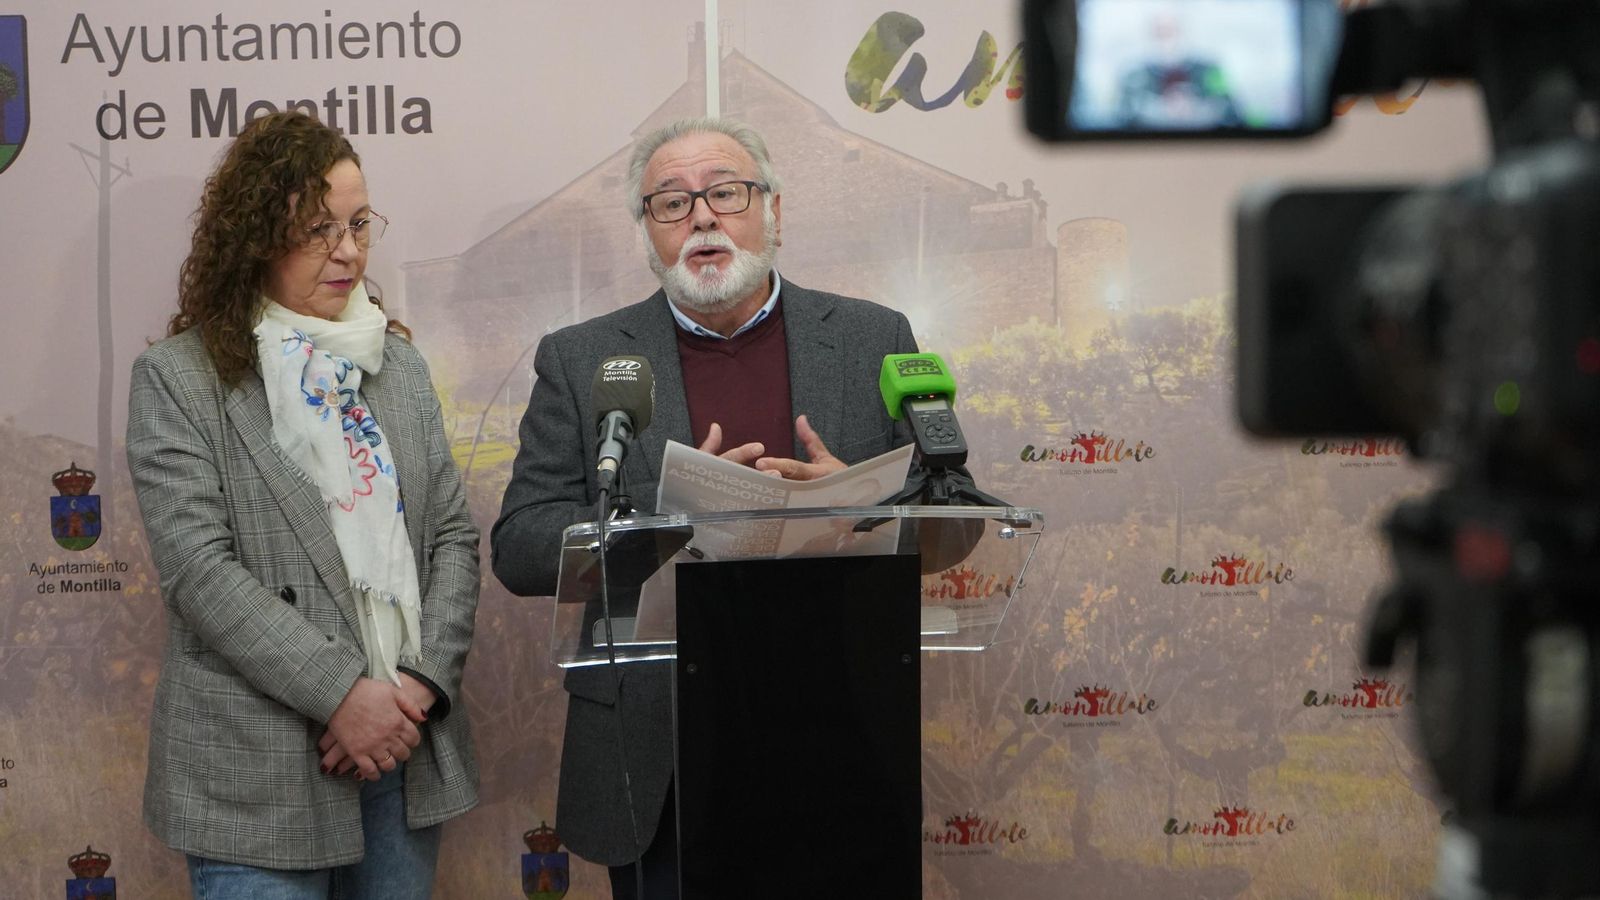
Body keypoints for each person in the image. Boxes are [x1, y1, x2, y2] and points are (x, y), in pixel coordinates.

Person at [490, 117, 924, 898]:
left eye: (726, 192)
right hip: (663, 747)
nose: (701, 217)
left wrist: (862, 502)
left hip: (837, 729)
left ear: (774, 212)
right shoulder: (582, 357)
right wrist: (659, 520)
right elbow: (521, 544)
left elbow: (947, 519)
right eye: (670, 203)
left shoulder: (872, 339)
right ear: (648, 233)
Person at [126, 110, 479, 900]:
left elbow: (453, 537)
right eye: (319, 229)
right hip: (258, 770)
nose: (348, 251)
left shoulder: (400, 366)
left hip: (403, 752)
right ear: (256, 236)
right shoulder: (179, 380)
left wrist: (416, 690)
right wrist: (344, 695)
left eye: (359, 225)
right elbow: (200, 574)